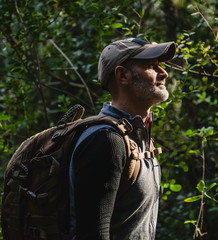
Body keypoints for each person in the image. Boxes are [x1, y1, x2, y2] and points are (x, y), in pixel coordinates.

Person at [69, 38, 176, 239]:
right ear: (123, 76)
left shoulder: (138, 137)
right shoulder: (105, 141)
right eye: (152, 66)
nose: (164, 73)